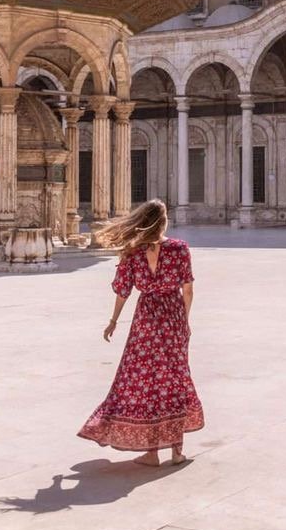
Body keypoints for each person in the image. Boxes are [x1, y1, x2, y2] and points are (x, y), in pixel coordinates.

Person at [78, 199, 203, 467]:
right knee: (173, 380)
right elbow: (188, 289)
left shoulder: (132, 252)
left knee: (144, 383)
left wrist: (113, 321)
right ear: (163, 220)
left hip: (146, 322)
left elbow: (123, 291)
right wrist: (185, 321)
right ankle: (176, 451)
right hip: (173, 319)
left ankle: (152, 452)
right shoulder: (180, 249)